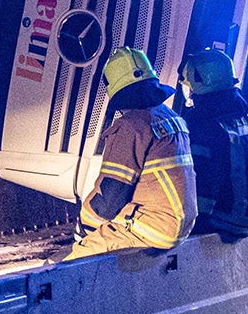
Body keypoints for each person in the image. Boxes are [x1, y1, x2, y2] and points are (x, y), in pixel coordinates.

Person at [64, 47, 198, 260]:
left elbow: (110, 197)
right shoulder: (172, 118)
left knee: (68, 267)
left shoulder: (131, 126)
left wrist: (84, 228)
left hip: (154, 228)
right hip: (181, 225)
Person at [180, 47, 248, 242]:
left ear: (198, 83)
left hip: (223, 220)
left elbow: (197, 179)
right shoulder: (246, 113)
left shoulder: (203, 122)